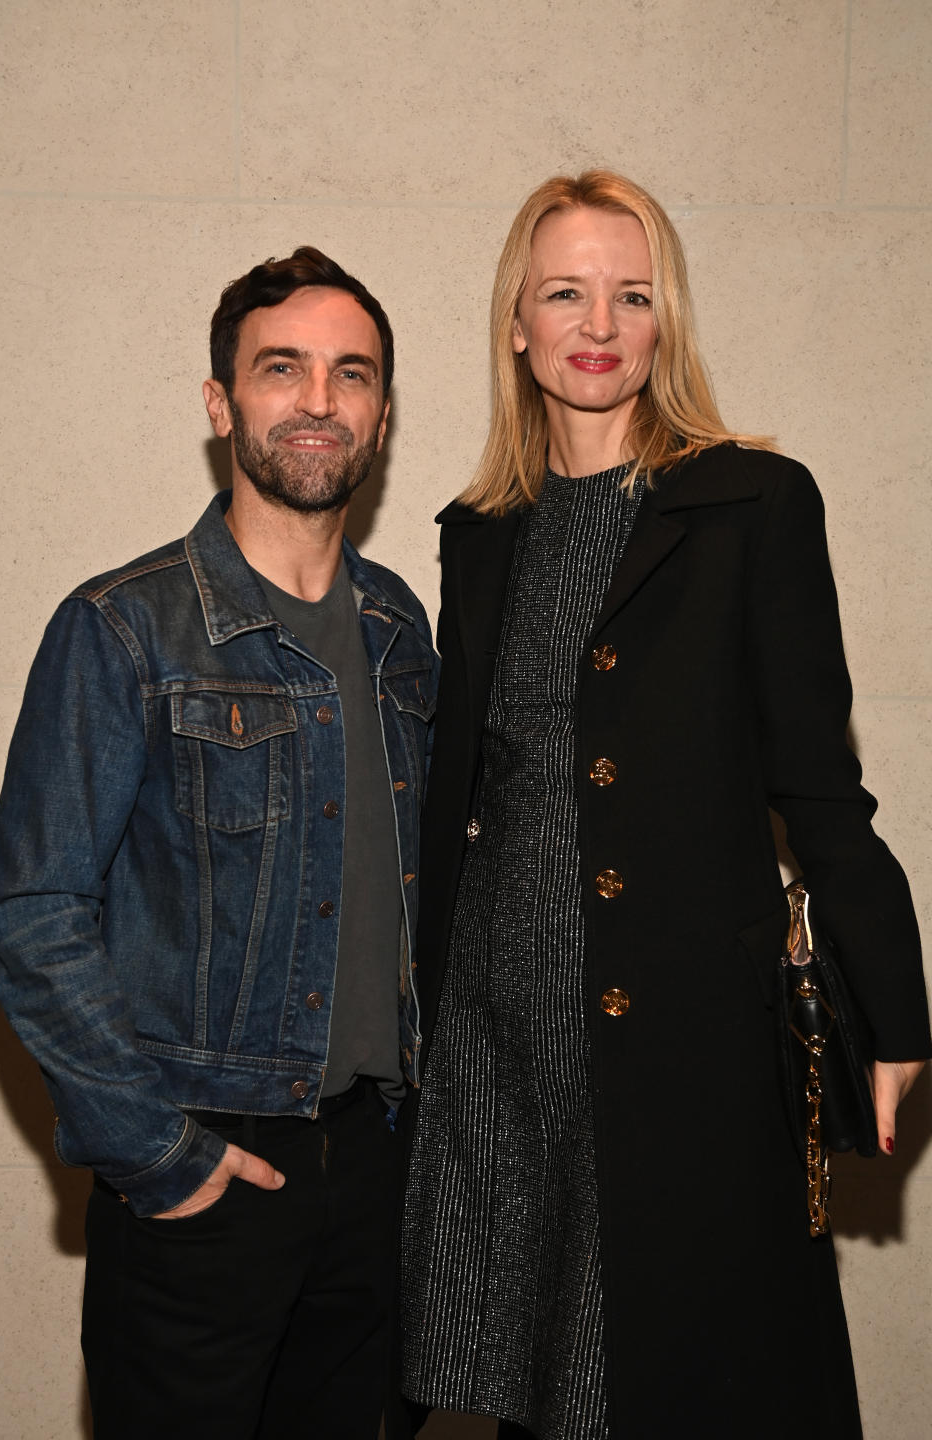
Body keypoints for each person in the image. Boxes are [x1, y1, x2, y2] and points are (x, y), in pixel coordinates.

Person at [399, 171, 930, 1439]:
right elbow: (461, 793)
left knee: (663, 1381)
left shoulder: (753, 502)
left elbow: (820, 782)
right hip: (494, 1038)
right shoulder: (479, 533)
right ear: (517, 326)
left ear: (665, 322)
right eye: (565, 292)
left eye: (631, 296)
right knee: (520, 1386)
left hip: (676, 1039)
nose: (598, 323)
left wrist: (897, 1008)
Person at [0, 247, 437, 1439]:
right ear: (221, 403)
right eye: (281, 369)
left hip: (382, 1172)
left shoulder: (400, 628)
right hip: (208, 1174)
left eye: (352, 374)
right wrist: (159, 1156)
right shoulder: (123, 626)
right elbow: (31, 911)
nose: (319, 401)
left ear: (382, 415)